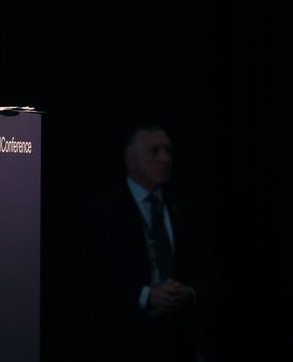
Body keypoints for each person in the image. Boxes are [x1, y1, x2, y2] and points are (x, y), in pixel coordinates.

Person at [78, 123, 212, 362]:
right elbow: (87, 274)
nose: (164, 158)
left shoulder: (186, 210)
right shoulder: (102, 208)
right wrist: (145, 295)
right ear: (130, 160)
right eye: (154, 151)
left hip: (179, 342)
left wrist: (189, 293)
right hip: (122, 342)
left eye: (168, 151)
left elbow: (209, 271)